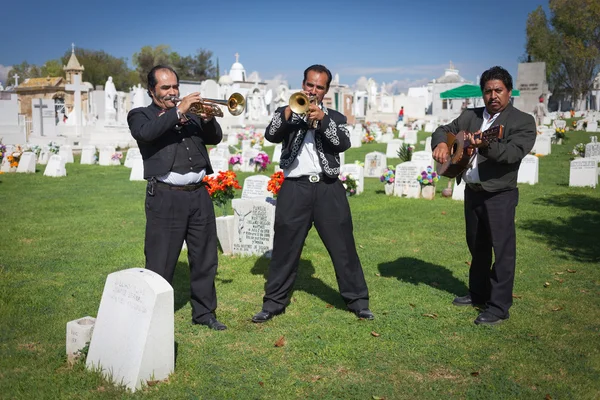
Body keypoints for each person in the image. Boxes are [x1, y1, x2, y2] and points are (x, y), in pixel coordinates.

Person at [251, 64, 373, 323]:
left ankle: (358, 301)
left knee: (343, 248)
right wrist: (290, 111)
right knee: (285, 248)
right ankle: (273, 303)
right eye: (309, 85)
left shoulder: (336, 118)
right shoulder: (287, 112)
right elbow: (271, 134)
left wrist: (322, 119)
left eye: (319, 87)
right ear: (303, 84)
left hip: (329, 188)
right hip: (295, 188)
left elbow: (343, 143)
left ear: (326, 90)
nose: (313, 90)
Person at [431, 66, 536, 326]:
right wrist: (442, 143)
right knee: (477, 247)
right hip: (473, 192)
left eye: (498, 90)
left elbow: (512, 154)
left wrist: (485, 144)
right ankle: (478, 293)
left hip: (500, 194)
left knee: (502, 251)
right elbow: (443, 129)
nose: (493, 96)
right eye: (488, 91)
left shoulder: (522, 121)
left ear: (509, 92)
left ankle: (499, 306)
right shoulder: (470, 116)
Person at [127, 65, 226, 330]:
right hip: (166, 197)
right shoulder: (140, 115)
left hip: (199, 195)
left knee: (205, 258)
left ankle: (205, 314)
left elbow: (214, 138)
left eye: (175, 87)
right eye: (165, 88)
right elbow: (146, 134)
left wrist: (206, 118)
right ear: (152, 90)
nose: (172, 92)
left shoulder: (191, 114)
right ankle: (153, 317)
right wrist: (178, 110)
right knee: (161, 259)